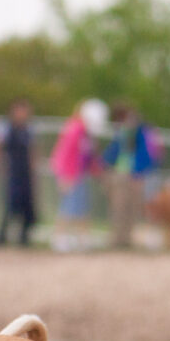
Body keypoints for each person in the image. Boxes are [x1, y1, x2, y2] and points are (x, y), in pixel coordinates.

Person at [48, 99, 107, 252]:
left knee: (82, 207)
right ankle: (59, 238)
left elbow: (89, 157)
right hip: (70, 175)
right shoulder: (74, 129)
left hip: (80, 175)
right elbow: (64, 153)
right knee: (68, 207)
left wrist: (97, 171)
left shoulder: (86, 134)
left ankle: (83, 239)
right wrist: (65, 176)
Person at [98, 104, 158, 249]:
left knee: (132, 209)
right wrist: (102, 167)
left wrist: (139, 173)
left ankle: (127, 239)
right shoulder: (121, 134)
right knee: (119, 208)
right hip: (120, 175)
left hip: (135, 177)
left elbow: (147, 157)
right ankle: (117, 238)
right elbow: (111, 154)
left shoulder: (142, 135)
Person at [0, 99, 38, 246]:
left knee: (27, 205)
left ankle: (24, 238)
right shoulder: (4, 127)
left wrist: (33, 170)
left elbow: (33, 150)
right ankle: (1, 237)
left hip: (25, 172)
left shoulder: (28, 129)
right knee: (10, 205)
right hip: (12, 171)